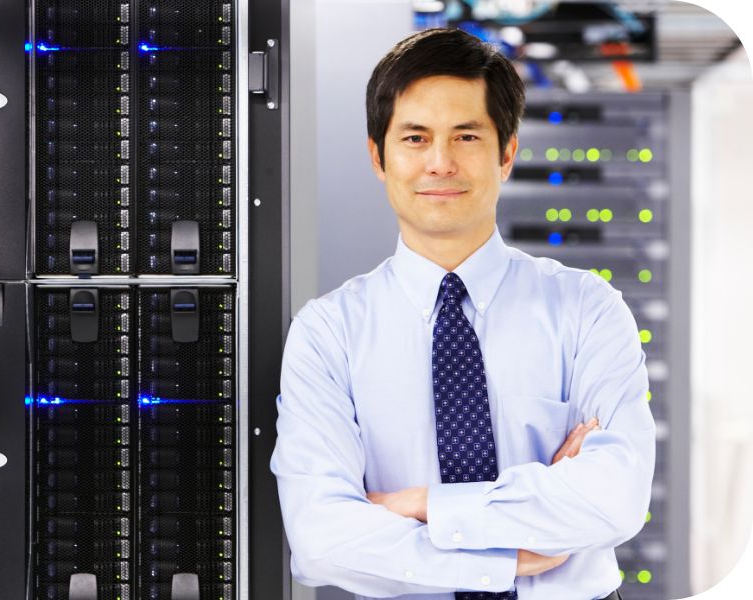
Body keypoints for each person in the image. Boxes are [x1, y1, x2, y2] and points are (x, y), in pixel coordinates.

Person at [270, 28, 655, 600]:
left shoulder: (587, 310)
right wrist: (506, 555)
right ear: (379, 156)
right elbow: (321, 540)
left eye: (466, 135)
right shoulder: (328, 334)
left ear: (506, 153)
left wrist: (422, 505)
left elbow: (614, 501)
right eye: (416, 138)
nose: (441, 162)